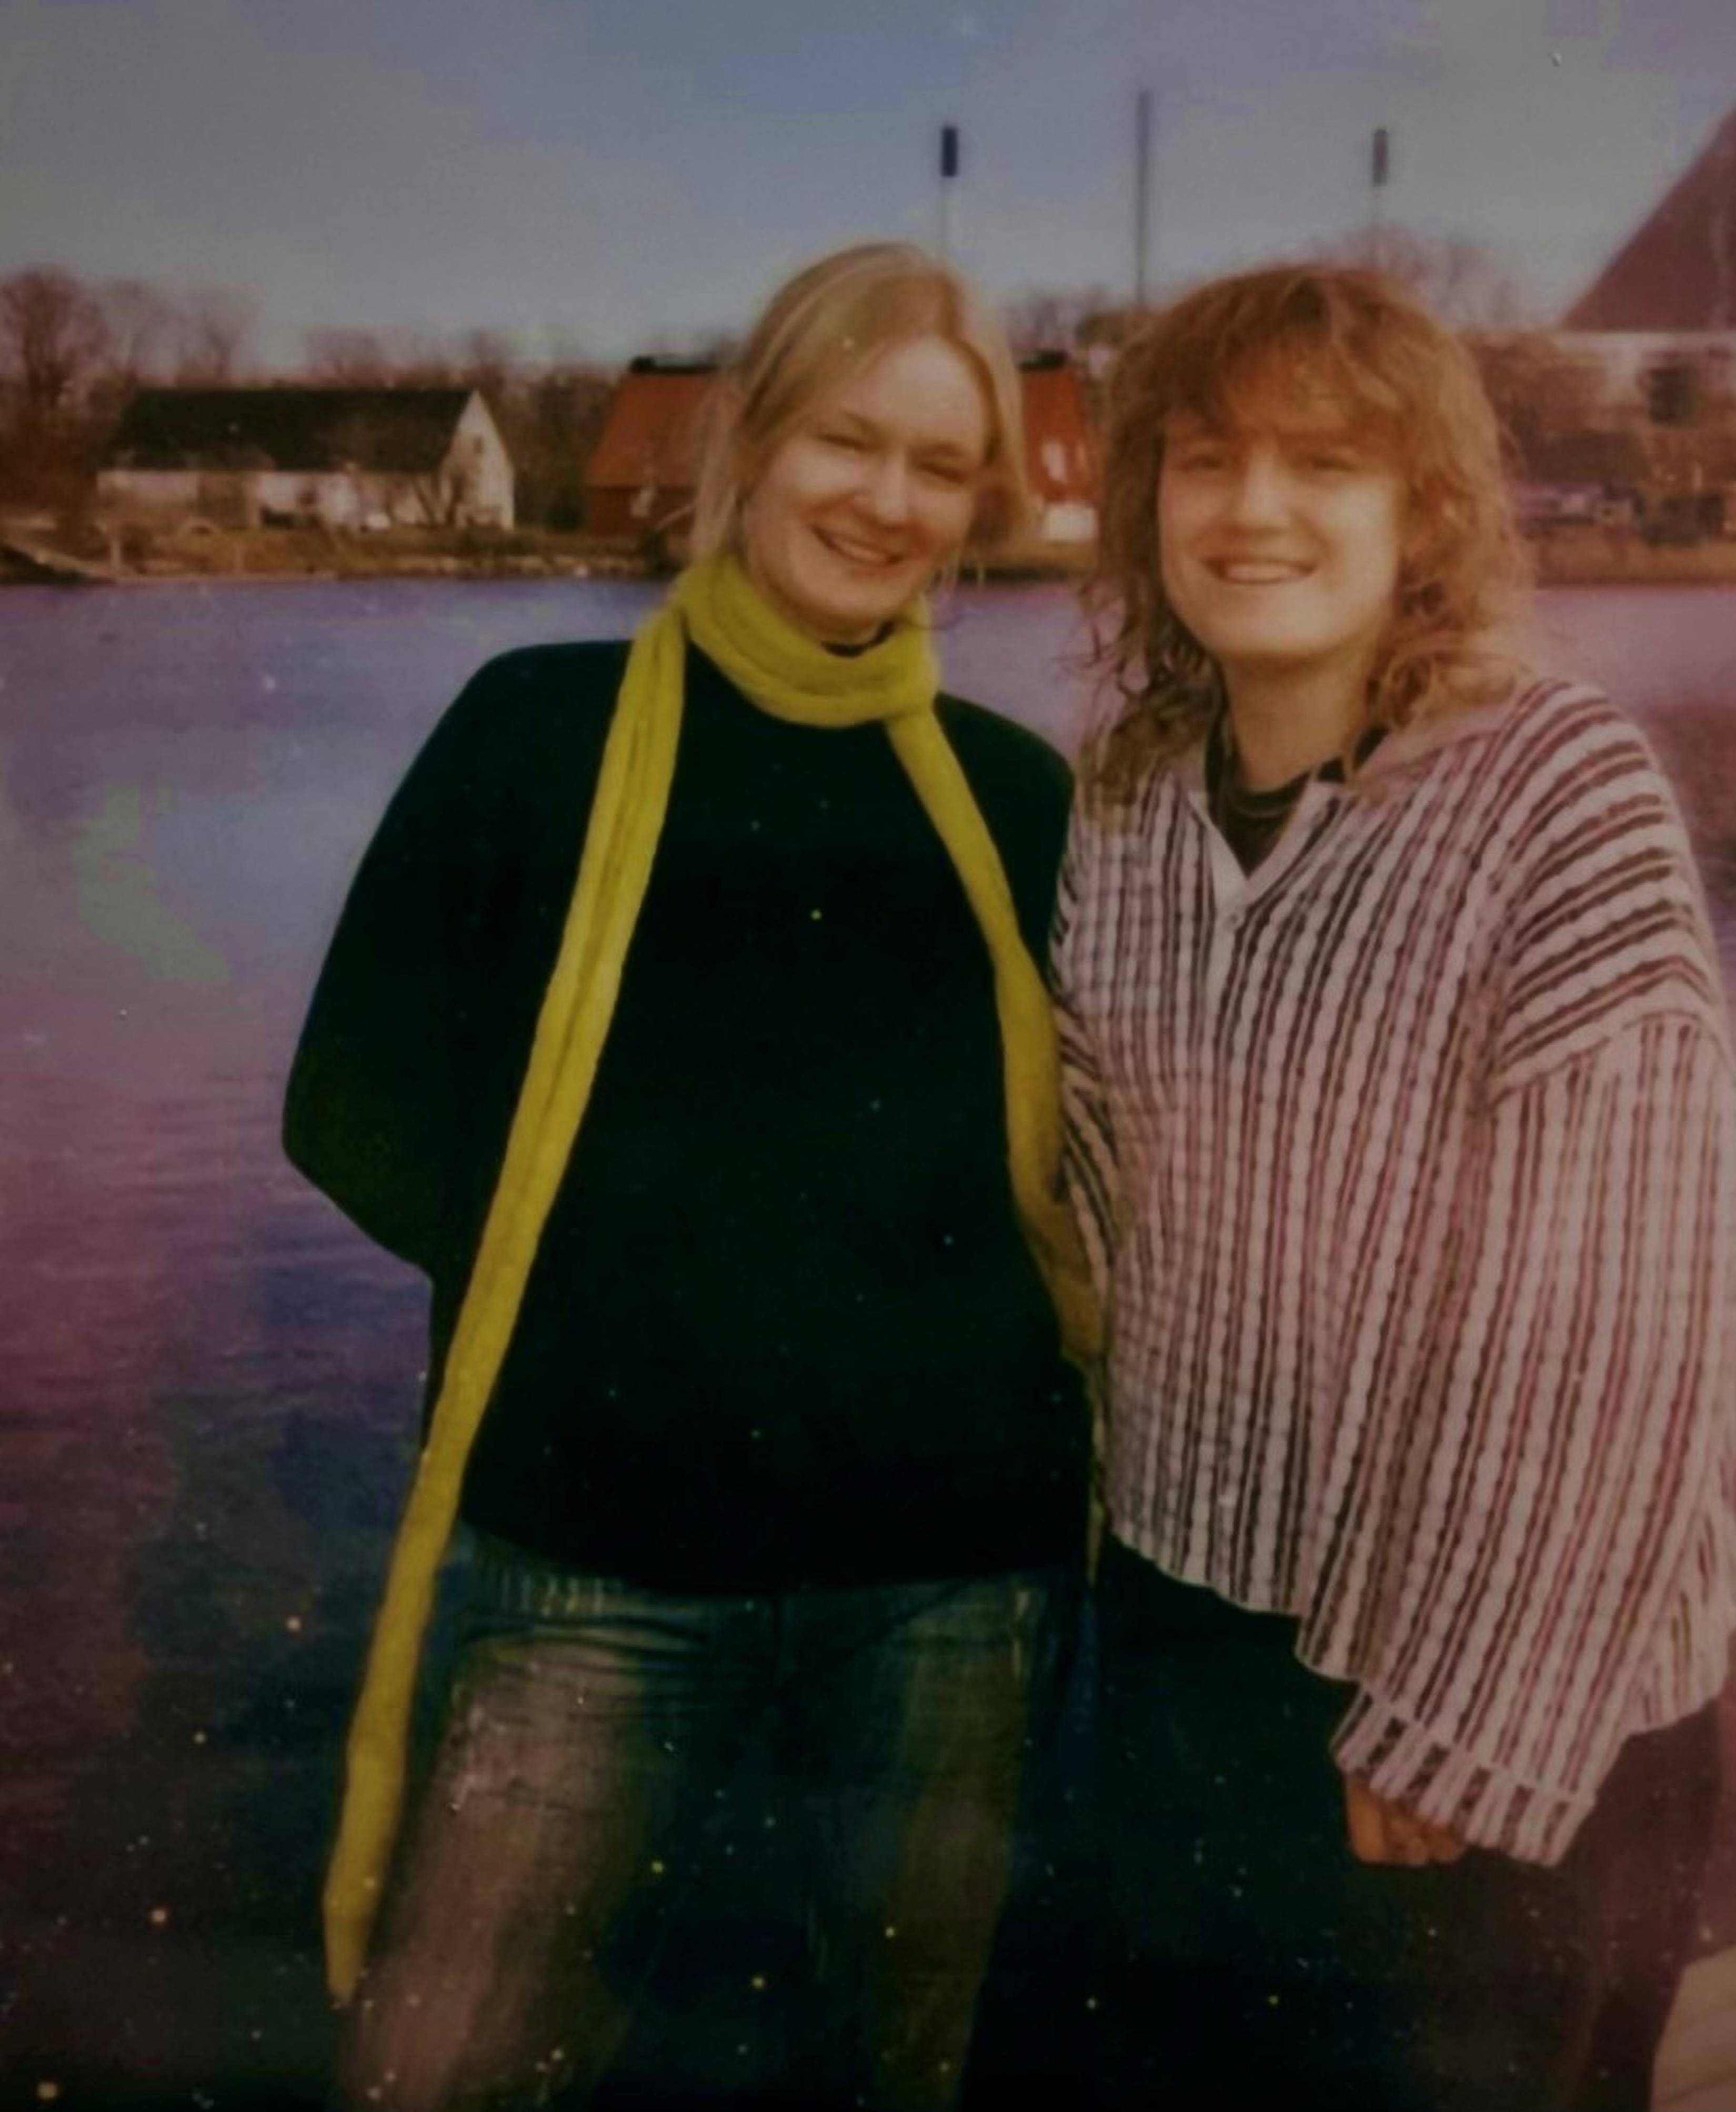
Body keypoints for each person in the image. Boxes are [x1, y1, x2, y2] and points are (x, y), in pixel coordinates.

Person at [283, 240, 1097, 2111]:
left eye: (939, 466)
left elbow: (1093, 1174)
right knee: (440, 2075)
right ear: (747, 436)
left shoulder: (1013, 798)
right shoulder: (533, 731)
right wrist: (637, 1319)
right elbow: (354, 1101)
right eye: (846, 439)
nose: (887, 500)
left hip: (948, 1589)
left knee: (891, 2075)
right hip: (595, 1569)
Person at [1042, 264, 1736, 2109]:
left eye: (1324, 464)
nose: (1254, 509)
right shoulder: (1121, 802)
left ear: (1422, 510)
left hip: (1496, 1689)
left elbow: (1622, 1305)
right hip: (1198, 1643)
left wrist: (1458, 1708)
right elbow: (1096, 1226)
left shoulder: (1557, 792)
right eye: (1205, 461)